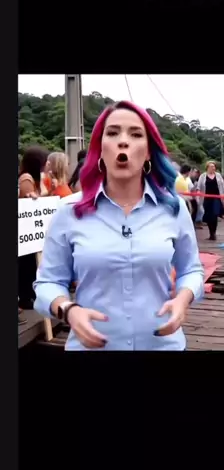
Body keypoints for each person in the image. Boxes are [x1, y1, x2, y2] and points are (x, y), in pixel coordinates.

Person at [33, 101, 204, 350]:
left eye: (135, 134)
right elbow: (47, 282)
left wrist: (183, 298)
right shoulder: (69, 211)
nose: (123, 141)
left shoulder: (173, 208)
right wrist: (69, 310)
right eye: (112, 133)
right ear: (100, 148)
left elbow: (191, 270)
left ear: (148, 151)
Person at [18, 145, 50, 310]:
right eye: (45, 162)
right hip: (25, 230)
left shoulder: (35, 178)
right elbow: (30, 201)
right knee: (26, 264)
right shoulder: (26, 179)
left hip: (30, 230)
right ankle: (25, 296)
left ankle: (30, 293)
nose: (48, 165)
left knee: (32, 263)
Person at [197, 161, 224, 240]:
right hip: (206, 199)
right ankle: (211, 233)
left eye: (214, 166)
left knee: (214, 215)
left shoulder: (218, 175)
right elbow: (198, 187)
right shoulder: (203, 176)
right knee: (208, 217)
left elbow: (223, 187)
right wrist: (198, 194)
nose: (213, 168)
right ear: (207, 168)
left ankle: (214, 233)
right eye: (211, 166)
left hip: (216, 198)